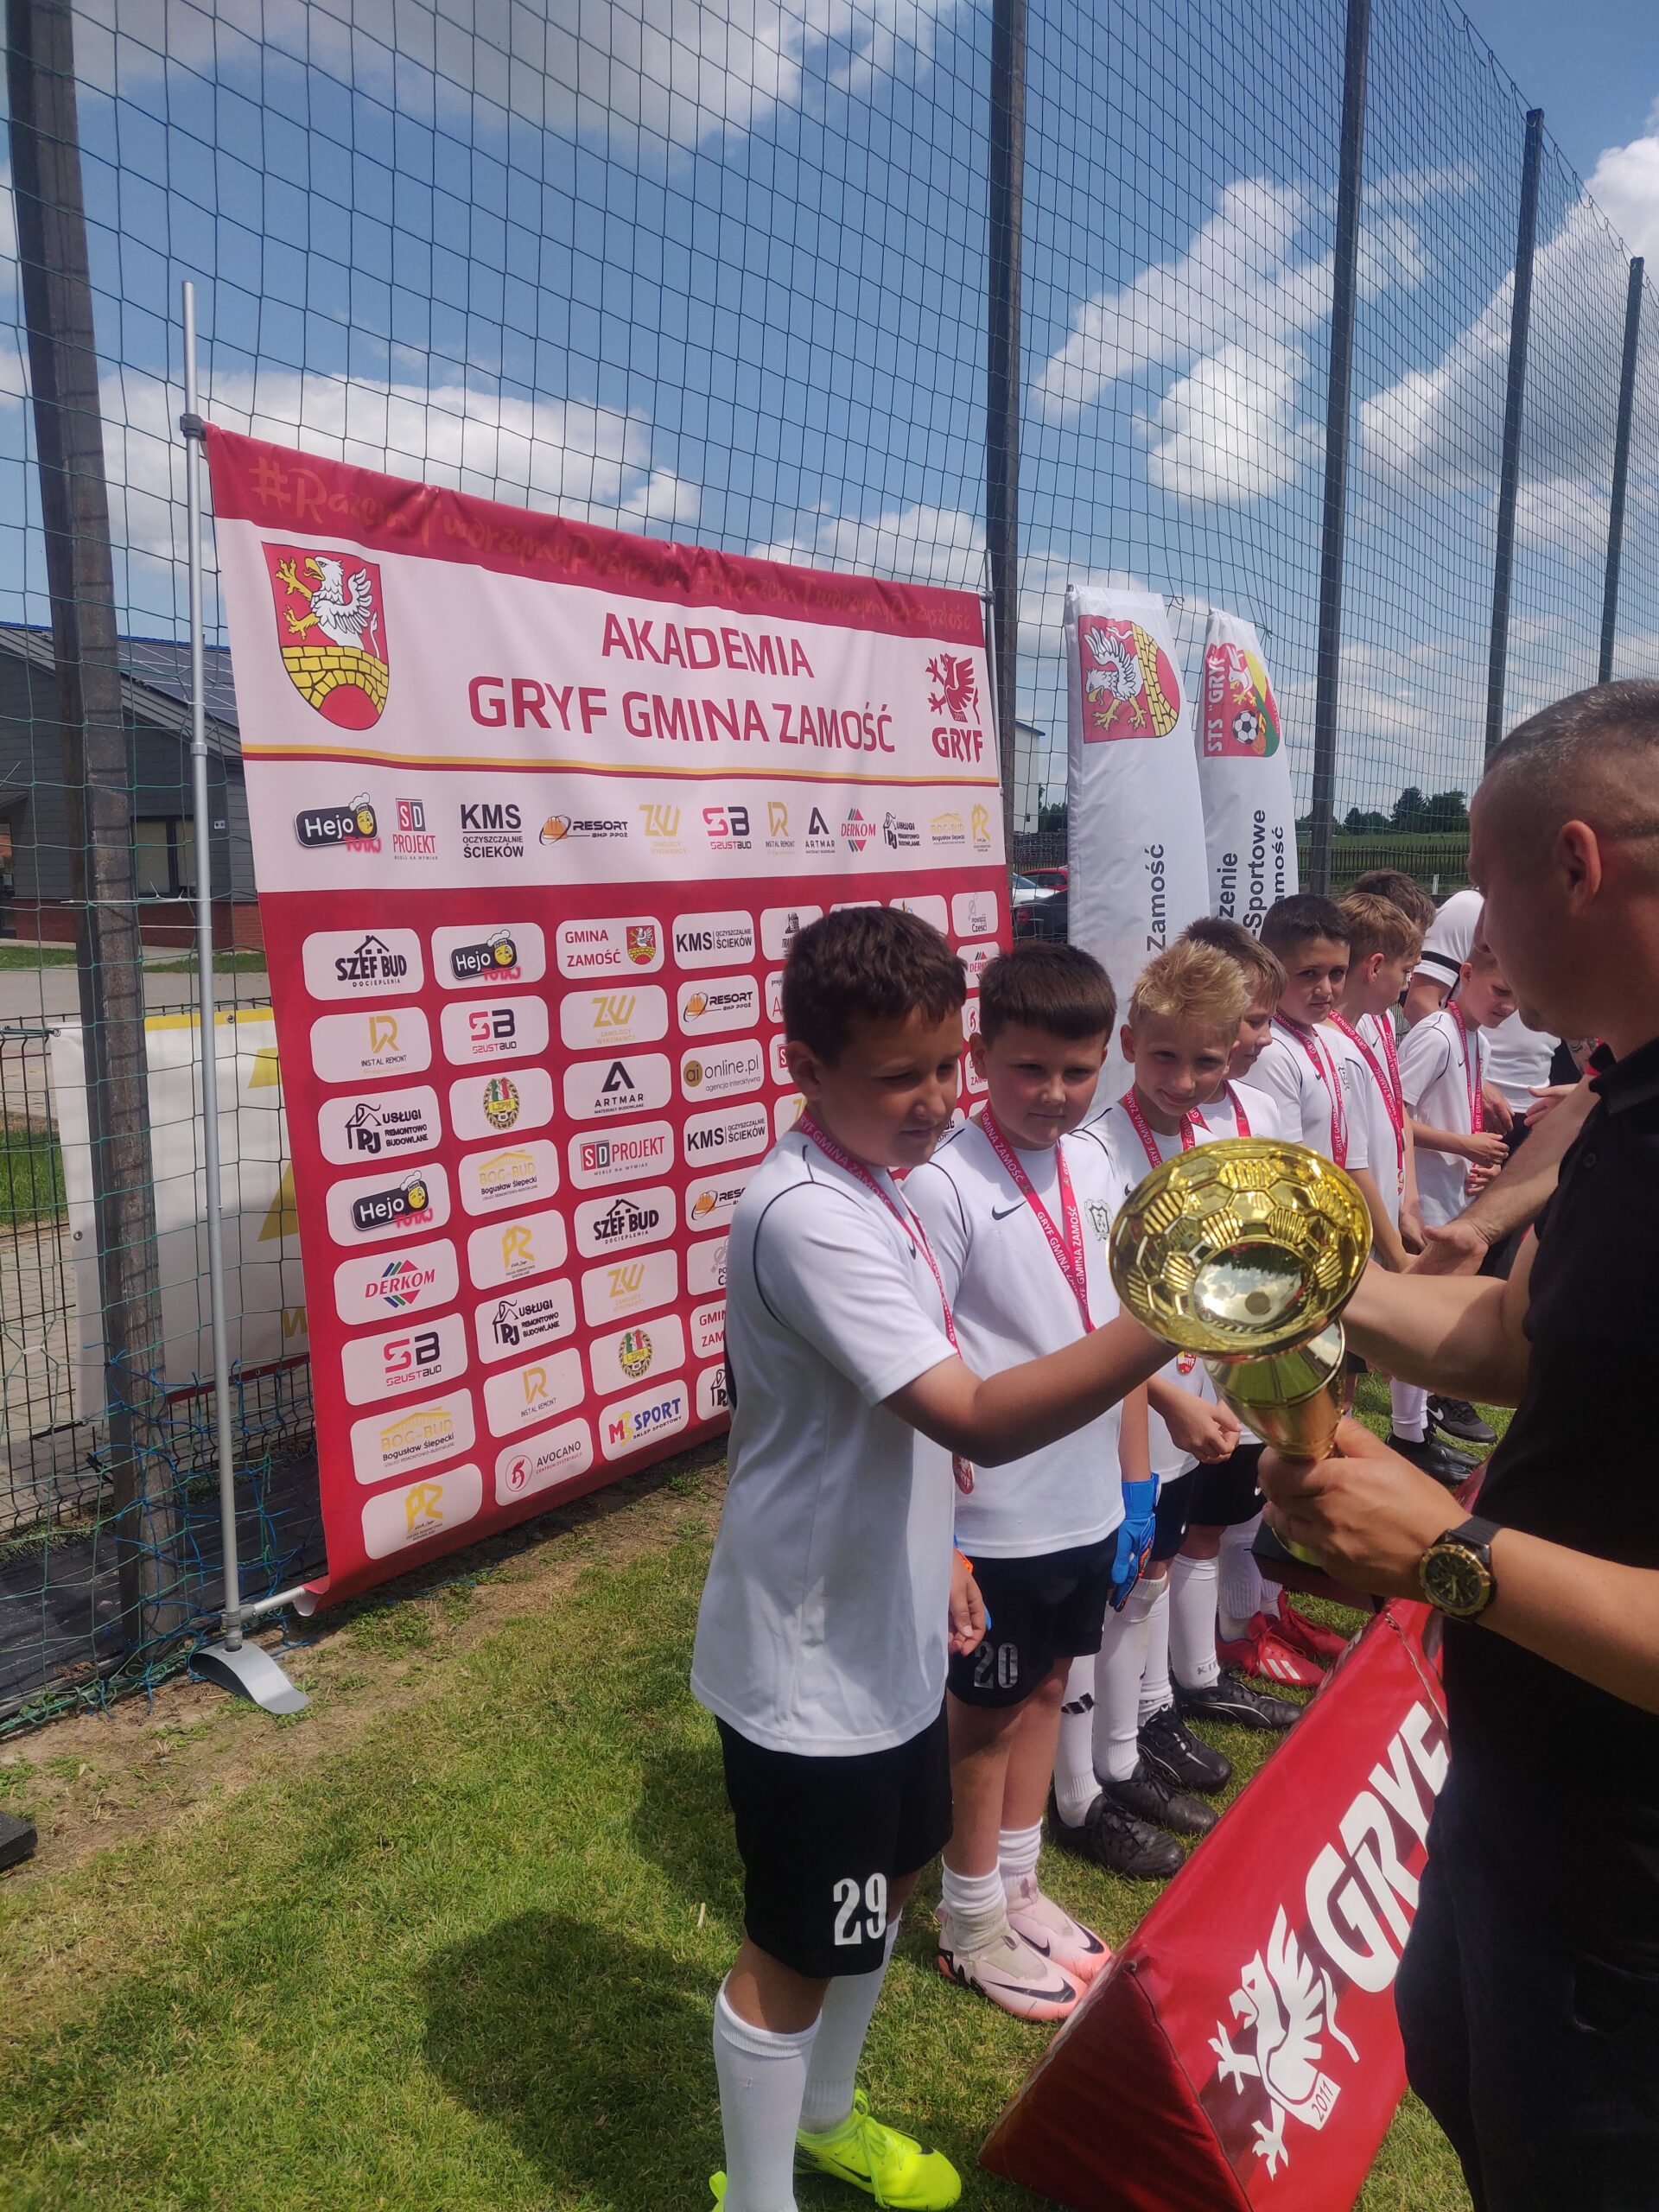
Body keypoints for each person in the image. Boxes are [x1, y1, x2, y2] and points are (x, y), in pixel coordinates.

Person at [693, 907, 1168, 2212]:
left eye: (948, 1065)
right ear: (804, 1068)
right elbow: (972, 1414)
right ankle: (757, 2199)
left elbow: (916, 1418)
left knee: (882, 1889)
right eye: (899, 1076)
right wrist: (1172, 1315)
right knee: (797, 1943)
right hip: (808, 1660)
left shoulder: (882, 1184)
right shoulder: (806, 1214)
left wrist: (943, 1549)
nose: (938, 1099)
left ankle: (827, 2119)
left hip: (890, 1621)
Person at [1256, 678, 1659, 2210]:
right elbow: (1511, 1335)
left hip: (1631, 1895)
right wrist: (1289, 1279)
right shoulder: (1622, 1098)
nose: (1465, 939)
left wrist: (1447, 1552)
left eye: (1480, 889)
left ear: (1575, 863)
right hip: (1523, 1802)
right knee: (1471, 2083)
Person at [905, 943, 1147, 2021]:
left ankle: (1017, 1885)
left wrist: (1136, 1485)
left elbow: (1117, 1332)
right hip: (996, 1515)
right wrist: (946, 1534)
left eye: (1078, 1070)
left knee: (1049, 1685)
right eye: (1029, 1069)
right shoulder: (943, 1182)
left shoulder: (1096, 1165)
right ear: (979, 1054)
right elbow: (916, 1371)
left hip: (1083, 1499)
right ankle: (966, 1923)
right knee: (984, 1720)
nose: (1055, 1093)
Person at [1090, 939, 1302, 1775]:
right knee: (1133, 1573)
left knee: (1167, 1558)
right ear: (1129, 1044)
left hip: (1200, 1392)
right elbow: (1091, 1315)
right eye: (1165, 1058)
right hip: (1135, 1406)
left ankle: (1162, 1705)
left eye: (1206, 1062)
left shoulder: (1215, 1138)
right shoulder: (1097, 1152)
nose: (1183, 1081)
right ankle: (1118, 1744)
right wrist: (1169, 1399)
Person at [1177, 915, 1348, 1687]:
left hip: (1259, 1335)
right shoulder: (1167, 1113)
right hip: (1193, 1355)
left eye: (1266, 1020)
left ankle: (1254, 1618)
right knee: (1201, 1521)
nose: (1265, 1037)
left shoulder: (1259, 1107)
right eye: (1252, 1021)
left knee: (1252, 1494)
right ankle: (1209, 1657)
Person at [1387, 937, 1513, 1481]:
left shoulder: (1475, 1038)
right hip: (1424, 1202)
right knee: (1416, 1317)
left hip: (1453, 1197)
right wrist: (1463, 1145)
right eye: (1500, 990)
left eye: (1516, 994)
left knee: (1431, 1318)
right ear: (1466, 973)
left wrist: (1482, 1165)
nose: (1508, 1004)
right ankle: (1406, 1436)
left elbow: (1456, 1113)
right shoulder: (1438, 1032)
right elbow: (1395, 1115)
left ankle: (1416, 1433)